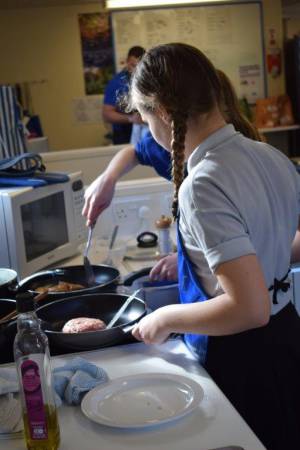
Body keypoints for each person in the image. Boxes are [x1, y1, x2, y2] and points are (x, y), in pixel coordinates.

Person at [123, 43, 300, 450]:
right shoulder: (271, 155)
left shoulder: (202, 184)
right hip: (288, 335)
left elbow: (249, 309)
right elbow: (274, 247)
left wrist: (166, 317)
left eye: (145, 116)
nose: (149, 129)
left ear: (164, 111)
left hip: (244, 357)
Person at [84, 68, 261, 281]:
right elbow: (134, 152)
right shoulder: (172, 147)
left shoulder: (239, 166)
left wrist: (193, 260)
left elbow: (264, 244)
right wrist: (108, 179)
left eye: (149, 121)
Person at [103, 46, 146, 145]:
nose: (135, 70)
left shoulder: (147, 80)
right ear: (127, 62)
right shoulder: (116, 83)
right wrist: (131, 119)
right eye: (132, 65)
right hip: (123, 134)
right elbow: (107, 114)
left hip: (145, 130)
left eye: (139, 66)